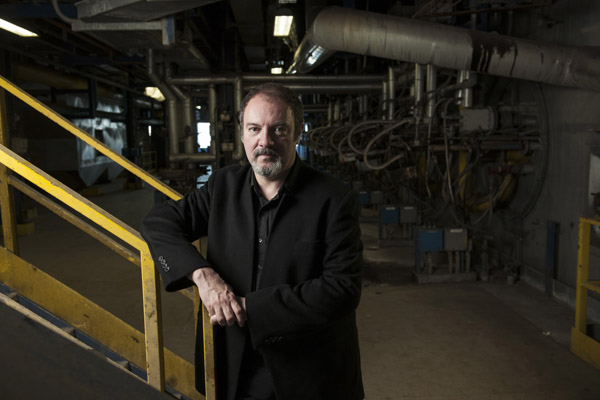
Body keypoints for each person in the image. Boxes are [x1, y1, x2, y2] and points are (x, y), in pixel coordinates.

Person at [141, 83, 364, 400]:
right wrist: (202, 275)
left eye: (279, 129)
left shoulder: (334, 199)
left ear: (298, 133)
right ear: (243, 134)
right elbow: (158, 223)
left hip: (307, 373)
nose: (265, 141)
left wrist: (251, 309)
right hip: (236, 368)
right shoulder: (223, 185)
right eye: (254, 129)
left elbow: (342, 289)